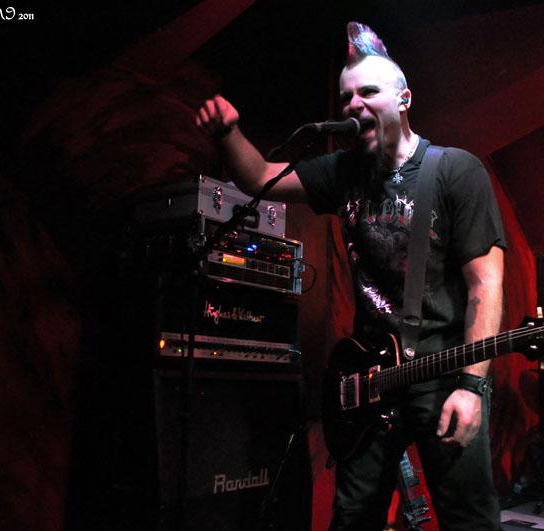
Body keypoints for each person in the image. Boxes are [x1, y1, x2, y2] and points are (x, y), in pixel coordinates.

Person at [195, 22, 505, 530]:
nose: (354, 105)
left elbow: (484, 284)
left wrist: (472, 386)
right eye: (346, 97)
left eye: (368, 92)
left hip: (443, 373)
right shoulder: (344, 171)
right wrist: (227, 132)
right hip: (370, 378)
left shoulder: (456, 171)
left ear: (403, 98)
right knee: (353, 516)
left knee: (466, 518)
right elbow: (259, 178)